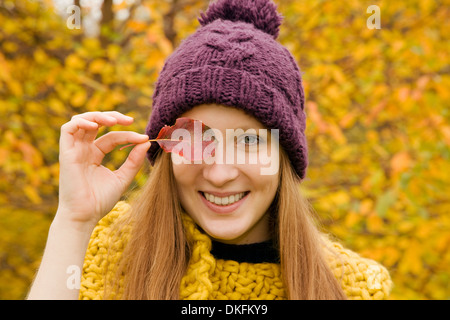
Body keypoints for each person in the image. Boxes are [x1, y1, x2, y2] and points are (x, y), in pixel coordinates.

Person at [28, 0, 392, 300]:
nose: (220, 173)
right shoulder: (102, 251)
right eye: (196, 139)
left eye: (249, 141)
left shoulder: (354, 287)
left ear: (285, 156)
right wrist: (72, 222)